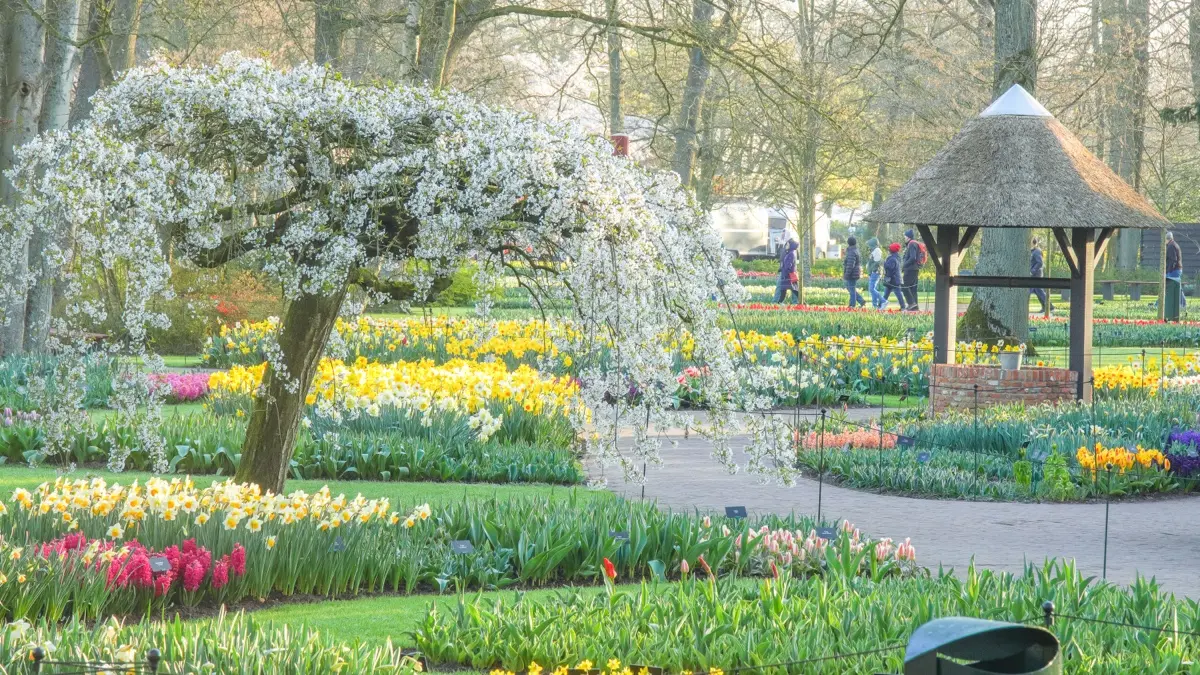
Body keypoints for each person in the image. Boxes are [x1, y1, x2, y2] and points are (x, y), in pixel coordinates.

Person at [901, 229, 922, 311]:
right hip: (914, 269)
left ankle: (911, 303)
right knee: (913, 288)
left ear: (908, 236)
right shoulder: (914, 243)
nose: (904, 237)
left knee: (905, 286)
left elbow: (913, 257)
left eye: (905, 236)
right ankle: (915, 307)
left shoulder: (912, 244)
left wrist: (904, 265)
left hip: (910, 269)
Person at [842, 236, 866, 308]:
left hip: (852, 273)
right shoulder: (855, 250)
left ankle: (852, 305)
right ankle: (861, 301)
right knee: (850, 288)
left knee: (851, 289)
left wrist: (846, 275)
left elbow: (850, 265)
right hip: (855, 272)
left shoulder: (851, 252)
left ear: (848, 243)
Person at [1029, 237, 1051, 314]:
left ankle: (1049, 307)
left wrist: (1032, 271)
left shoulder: (1037, 251)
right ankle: (1046, 307)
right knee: (1038, 291)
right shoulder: (1032, 251)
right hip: (1034, 275)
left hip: (1036, 275)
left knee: (1036, 291)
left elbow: (1040, 263)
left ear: (1033, 243)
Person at [775, 238, 800, 304]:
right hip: (786, 275)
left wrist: (785, 270)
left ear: (791, 245)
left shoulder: (791, 254)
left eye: (787, 244)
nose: (786, 245)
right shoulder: (789, 253)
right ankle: (779, 303)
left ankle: (802, 302)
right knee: (784, 290)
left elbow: (788, 265)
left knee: (794, 290)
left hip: (788, 276)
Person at [882, 242, 905, 310]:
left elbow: (890, 268)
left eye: (889, 249)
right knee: (887, 294)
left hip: (893, 280)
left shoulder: (892, 258)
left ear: (891, 250)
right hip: (895, 279)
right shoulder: (897, 257)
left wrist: (884, 263)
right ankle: (880, 305)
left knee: (898, 294)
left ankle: (903, 307)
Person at [1166, 231, 1186, 310]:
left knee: (1167, 287)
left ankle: (1159, 304)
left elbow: (1173, 260)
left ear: (1166, 239)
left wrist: (1168, 271)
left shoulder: (1171, 246)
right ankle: (1183, 304)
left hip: (1173, 270)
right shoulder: (1175, 244)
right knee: (1178, 288)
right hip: (1177, 269)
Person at [865, 237, 884, 309]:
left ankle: (883, 300)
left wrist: (872, 271)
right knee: (873, 289)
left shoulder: (877, 250)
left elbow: (876, 262)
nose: (869, 247)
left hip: (875, 272)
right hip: (873, 272)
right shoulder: (874, 250)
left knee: (871, 289)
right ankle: (874, 305)